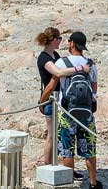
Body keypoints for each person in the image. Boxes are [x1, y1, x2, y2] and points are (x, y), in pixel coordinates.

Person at [38, 31, 99, 189]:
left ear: (72, 44)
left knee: (67, 149)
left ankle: (68, 182)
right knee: (89, 149)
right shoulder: (90, 64)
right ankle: (93, 183)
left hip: (66, 112)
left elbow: (51, 86)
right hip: (86, 114)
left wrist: (42, 102)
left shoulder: (61, 62)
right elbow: (94, 89)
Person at [34, 27, 63, 166]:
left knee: (58, 135)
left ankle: (55, 163)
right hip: (51, 99)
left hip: (59, 97)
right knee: (51, 136)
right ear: (54, 40)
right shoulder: (44, 58)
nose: (60, 42)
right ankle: (47, 165)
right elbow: (56, 74)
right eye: (60, 39)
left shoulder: (55, 55)